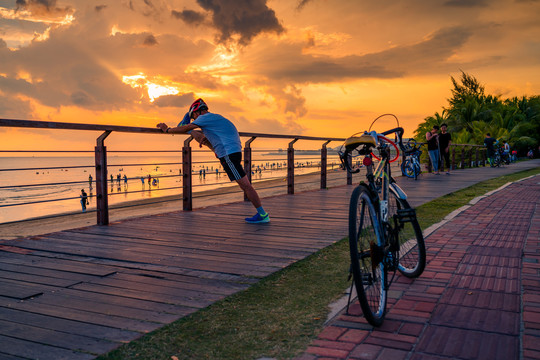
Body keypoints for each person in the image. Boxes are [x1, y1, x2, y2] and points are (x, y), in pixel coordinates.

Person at [157, 98, 270, 223]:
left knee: (246, 186)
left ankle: (263, 215)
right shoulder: (214, 118)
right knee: (245, 186)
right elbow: (207, 136)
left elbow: (185, 127)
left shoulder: (204, 118)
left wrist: (167, 130)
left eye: (194, 117)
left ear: (196, 112)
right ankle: (262, 214)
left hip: (229, 155)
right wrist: (194, 133)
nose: (195, 120)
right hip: (232, 152)